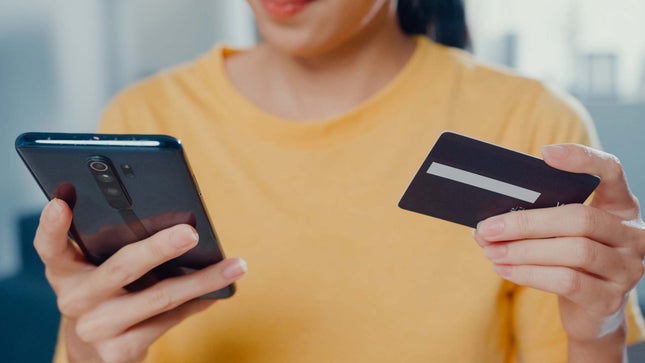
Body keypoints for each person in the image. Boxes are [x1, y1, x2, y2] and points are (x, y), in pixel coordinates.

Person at [35, 0, 645, 362]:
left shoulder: (531, 123)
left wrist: (601, 327)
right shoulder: (141, 120)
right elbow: (100, 343)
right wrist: (88, 340)